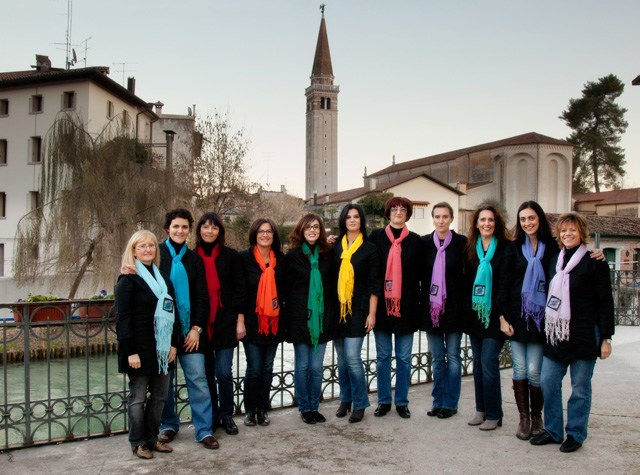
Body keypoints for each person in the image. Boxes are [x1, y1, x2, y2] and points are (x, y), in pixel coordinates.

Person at [530, 212, 614, 453]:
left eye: (573, 230)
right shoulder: (554, 259)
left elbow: (605, 302)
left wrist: (606, 338)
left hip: (584, 334)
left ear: (582, 233)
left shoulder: (594, 261)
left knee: (579, 387)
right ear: (559, 233)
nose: (568, 234)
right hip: (556, 335)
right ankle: (553, 430)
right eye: (564, 230)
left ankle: (575, 433)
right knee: (548, 381)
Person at [157, 208, 218, 449]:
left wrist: (196, 328)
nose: (180, 231)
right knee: (165, 382)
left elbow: (202, 297)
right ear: (167, 229)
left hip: (191, 332)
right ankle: (168, 424)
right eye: (176, 227)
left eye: (184, 227)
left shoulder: (194, 260)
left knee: (198, 380)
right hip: (164, 332)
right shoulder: (157, 254)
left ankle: (203, 429)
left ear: (189, 229)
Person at [115, 230, 178, 459]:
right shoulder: (128, 280)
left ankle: (153, 438)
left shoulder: (163, 280)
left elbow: (173, 314)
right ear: (133, 250)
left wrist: (173, 344)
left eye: (151, 245)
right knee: (138, 398)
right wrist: (130, 351)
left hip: (161, 350)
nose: (148, 249)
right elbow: (123, 319)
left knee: (160, 397)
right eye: (142, 246)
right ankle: (138, 442)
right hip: (138, 350)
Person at [369, 197, 423, 419]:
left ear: (407, 214)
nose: (398, 212)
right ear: (388, 213)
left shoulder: (417, 241)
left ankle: (401, 401)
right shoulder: (376, 237)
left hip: (407, 308)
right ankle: (383, 401)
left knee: (403, 357)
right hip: (381, 307)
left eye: (402, 209)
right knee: (382, 357)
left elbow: (422, 274)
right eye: (394, 209)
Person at [195, 212, 247, 436]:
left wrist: (240, 320)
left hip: (225, 323)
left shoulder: (231, 256)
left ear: (220, 232)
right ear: (199, 230)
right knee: (205, 376)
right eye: (205, 227)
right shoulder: (191, 258)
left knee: (224, 373)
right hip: (200, 326)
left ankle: (227, 415)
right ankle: (212, 417)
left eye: (214, 228)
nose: (209, 231)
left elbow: (240, 290)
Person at [283, 213, 336, 424]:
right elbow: (286, 289)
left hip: (321, 320)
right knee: (302, 366)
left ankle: (315, 406)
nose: (312, 230)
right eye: (308, 228)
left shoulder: (328, 254)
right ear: (301, 231)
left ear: (321, 230)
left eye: (315, 227)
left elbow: (331, 287)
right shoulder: (292, 256)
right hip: (299, 319)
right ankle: (304, 408)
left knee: (316, 367)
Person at [332, 203, 381, 423]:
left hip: (359, 310)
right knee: (341, 360)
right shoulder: (335, 247)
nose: (352, 220)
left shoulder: (369, 249)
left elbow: (374, 285)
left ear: (361, 220)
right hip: (337, 310)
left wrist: (372, 314)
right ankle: (345, 400)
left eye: (356, 216)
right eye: (348, 217)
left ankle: (360, 403)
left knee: (352, 358)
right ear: (343, 221)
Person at [464, 204, 510, 431]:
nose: (486, 224)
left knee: (489, 362)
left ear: (496, 223)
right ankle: (480, 410)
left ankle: (495, 414)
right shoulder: (471, 248)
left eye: (490, 220)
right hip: (476, 316)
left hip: (496, 315)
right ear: (476, 223)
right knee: (478, 364)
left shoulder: (506, 248)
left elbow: (506, 285)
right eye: (482, 220)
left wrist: (503, 315)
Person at [420, 202, 467, 419]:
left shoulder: (461, 243)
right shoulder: (424, 244)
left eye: (445, 217)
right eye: (437, 216)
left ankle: (451, 403)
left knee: (454, 357)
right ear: (432, 218)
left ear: (451, 219)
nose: (441, 220)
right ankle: (437, 401)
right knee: (438, 359)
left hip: (455, 309)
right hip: (432, 310)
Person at [239, 218, 285, 427]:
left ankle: (262, 409)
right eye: (261, 232)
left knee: (267, 368)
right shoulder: (244, 258)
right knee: (254, 368)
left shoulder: (281, 260)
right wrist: (239, 321)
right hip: (251, 322)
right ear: (254, 234)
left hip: (273, 323)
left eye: (269, 232)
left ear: (274, 236)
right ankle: (250, 410)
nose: (265, 235)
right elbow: (239, 293)